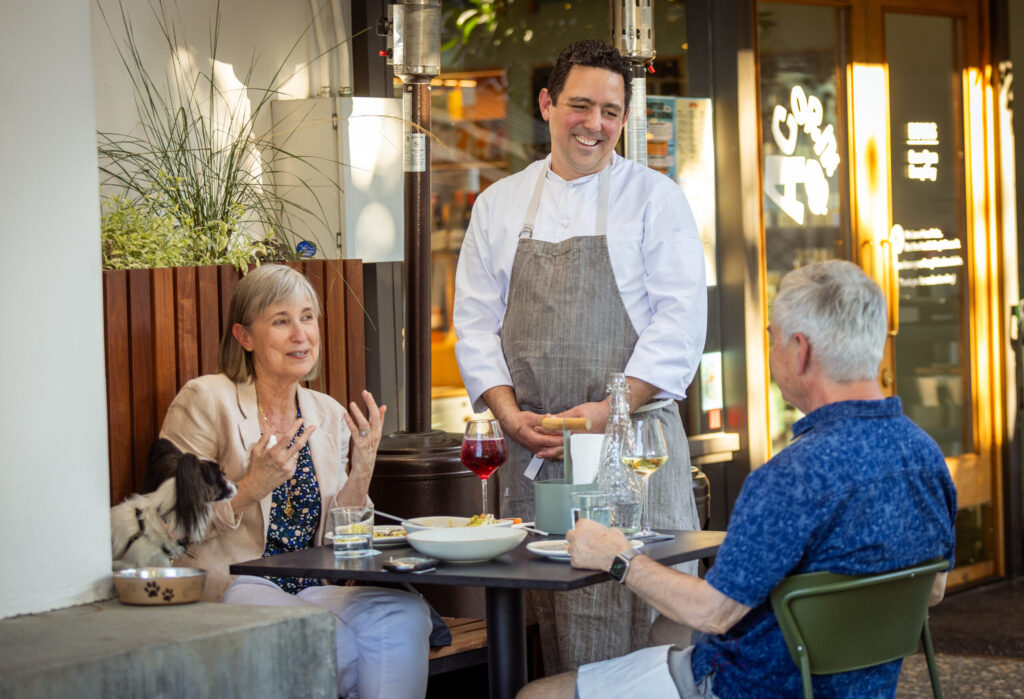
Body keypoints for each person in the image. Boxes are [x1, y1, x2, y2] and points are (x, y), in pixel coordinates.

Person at [518, 260, 958, 699]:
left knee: (535, 694)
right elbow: (932, 590)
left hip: (753, 687)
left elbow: (713, 614)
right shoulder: (926, 458)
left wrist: (617, 555)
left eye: (772, 338)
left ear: (800, 351)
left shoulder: (792, 477)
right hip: (863, 689)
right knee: (666, 631)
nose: (771, 351)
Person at [453, 38, 707, 672]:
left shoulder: (656, 199)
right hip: (533, 447)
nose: (595, 124)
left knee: (648, 634)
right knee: (546, 624)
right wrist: (511, 418)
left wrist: (606, 412)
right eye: (581, 105)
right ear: (546, 104)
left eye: (612, 112)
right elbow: (475, 326)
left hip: (631, 448)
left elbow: (679, 325)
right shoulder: (499, 203)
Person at [159, 264, 432, 698]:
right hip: (233, 582)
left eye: (307, 317)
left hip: (310, 586)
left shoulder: (324, 412)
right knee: (335, 640)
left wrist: (362, 466)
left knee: (404, 615)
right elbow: (169, 524)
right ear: (245, 337)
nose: (300, 334)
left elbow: (339, 539)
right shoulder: (207, 399)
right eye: (281, 321)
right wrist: (251, 485)